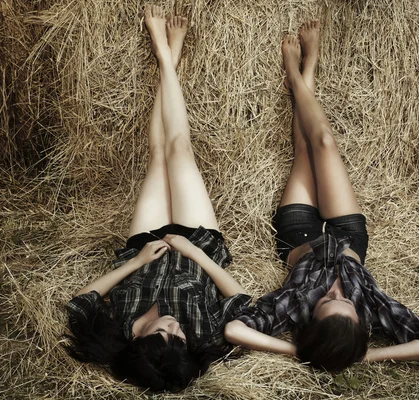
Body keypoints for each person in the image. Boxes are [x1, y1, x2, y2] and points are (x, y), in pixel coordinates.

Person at [224, 20, 419, 372]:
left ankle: (296, 74)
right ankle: (305, 69)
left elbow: (233, 329)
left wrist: (301, 353)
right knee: (325, 143)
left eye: (326, 302)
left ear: (310, 322)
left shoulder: (293, 308)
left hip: (298, 233)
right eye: (344, 303)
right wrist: (365, 355)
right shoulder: (373, 311)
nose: (335, 293)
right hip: (348, 233)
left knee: (304, 150)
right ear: (360, 323)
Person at [63, 5, 251, 392]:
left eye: (167, 331)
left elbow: (79, 304)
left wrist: (137, 261)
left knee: (156, 155)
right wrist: (195, 253)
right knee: (179, 150)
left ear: (139, 340)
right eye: (180, 336)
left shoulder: (117, 329)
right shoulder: (203, 336)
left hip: (143, 243)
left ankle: (170, 57)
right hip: (198, 241)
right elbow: (242, 302)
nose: (177, 328)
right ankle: (167, 54)